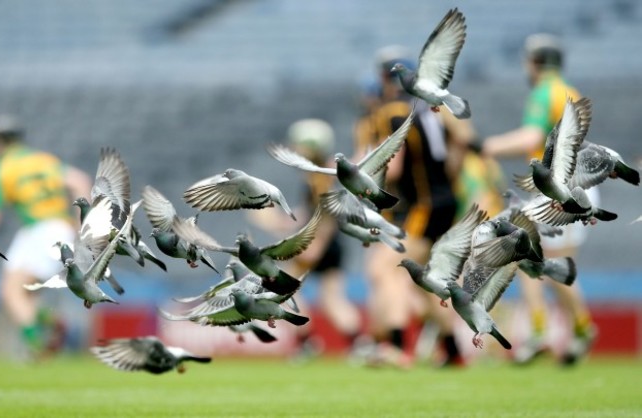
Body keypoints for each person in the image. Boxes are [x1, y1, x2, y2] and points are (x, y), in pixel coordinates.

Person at [354, 46, 476, 368]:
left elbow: (392, 169)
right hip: (446, 201)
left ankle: (396, 347)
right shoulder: (431, 109)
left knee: (385, 269)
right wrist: (447, 179)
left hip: (423, 204)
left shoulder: (390, 112)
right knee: (422, 280)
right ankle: (452, 352)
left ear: (383, 78)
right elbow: (463, 140)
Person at [482, 33, 597, 365]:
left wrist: (488, 146)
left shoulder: (544, 91)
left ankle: (538, 332)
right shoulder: (568, 91)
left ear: (535, 62)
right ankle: (580, 327)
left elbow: (530, 137)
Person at [249, 118, 363, 360]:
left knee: (282, 290)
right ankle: (359, 344)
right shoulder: (320, 172)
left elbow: (327, 214)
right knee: (331, 298)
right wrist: (283, 221)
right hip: (331, 243)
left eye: (298, 144)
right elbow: (312, 212)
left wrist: (316, 245)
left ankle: (307, 343)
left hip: (320, 242)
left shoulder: (319, 175)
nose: (294, 149)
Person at [0, 114, 92, 359]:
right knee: (24, 292)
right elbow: (80, 181)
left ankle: (39, 345)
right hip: (57, 228)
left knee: (10, 292)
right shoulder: (43, 160)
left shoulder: (2, 169)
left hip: (40, 231)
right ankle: (51, 322)